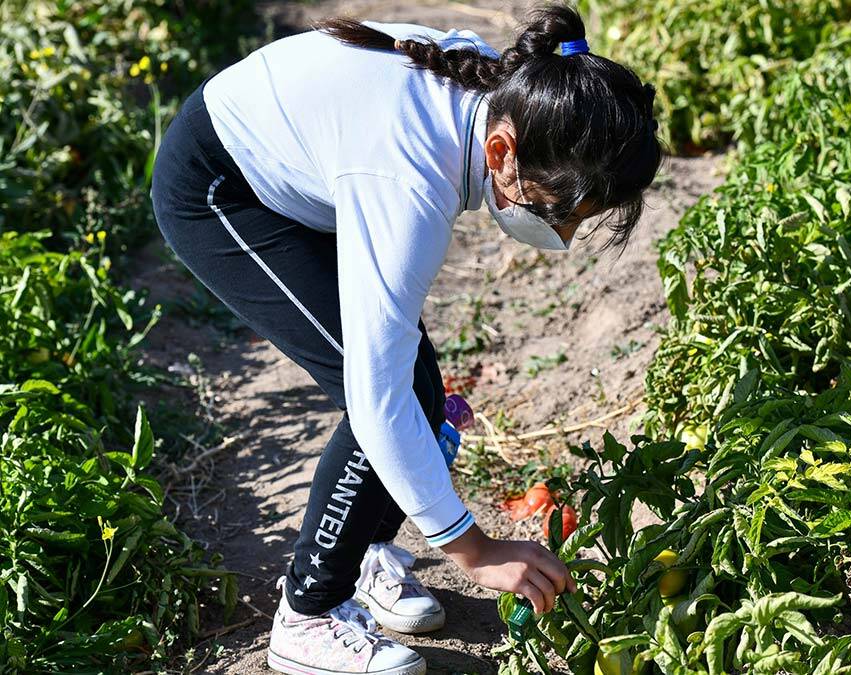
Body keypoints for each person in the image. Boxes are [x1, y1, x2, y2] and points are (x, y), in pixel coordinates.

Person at [150, 4, 661, 674]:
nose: (561, 235)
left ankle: (363, 553)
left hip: (307, 168)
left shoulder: (510, 92)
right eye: (559, 209)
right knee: (382, 391)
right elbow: (376, 395)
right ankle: (308, 614)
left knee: (412, 382)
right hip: (222, 186)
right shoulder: (409, 178)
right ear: (503, 152)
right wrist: (475, 550)